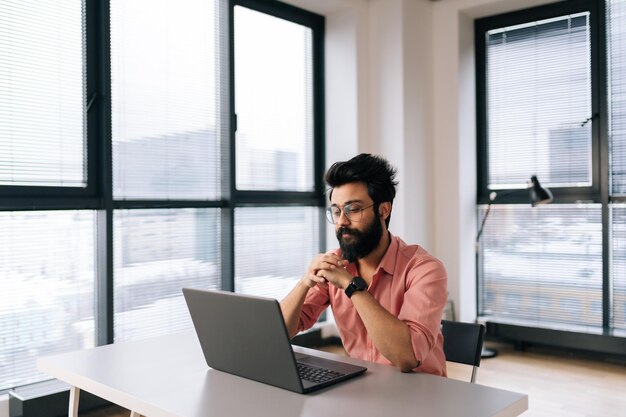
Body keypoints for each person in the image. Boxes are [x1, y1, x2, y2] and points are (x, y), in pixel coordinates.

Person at [280, 153, 447, 375]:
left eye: (353, 209)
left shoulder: (425, 270)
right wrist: (304, 283)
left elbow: (407, 357)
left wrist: (351, 286)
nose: (341, 222)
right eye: (337, 211)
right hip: (362, 390)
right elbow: (280, 332)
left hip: (420, 396)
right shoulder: (336, 265)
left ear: (383, 210)